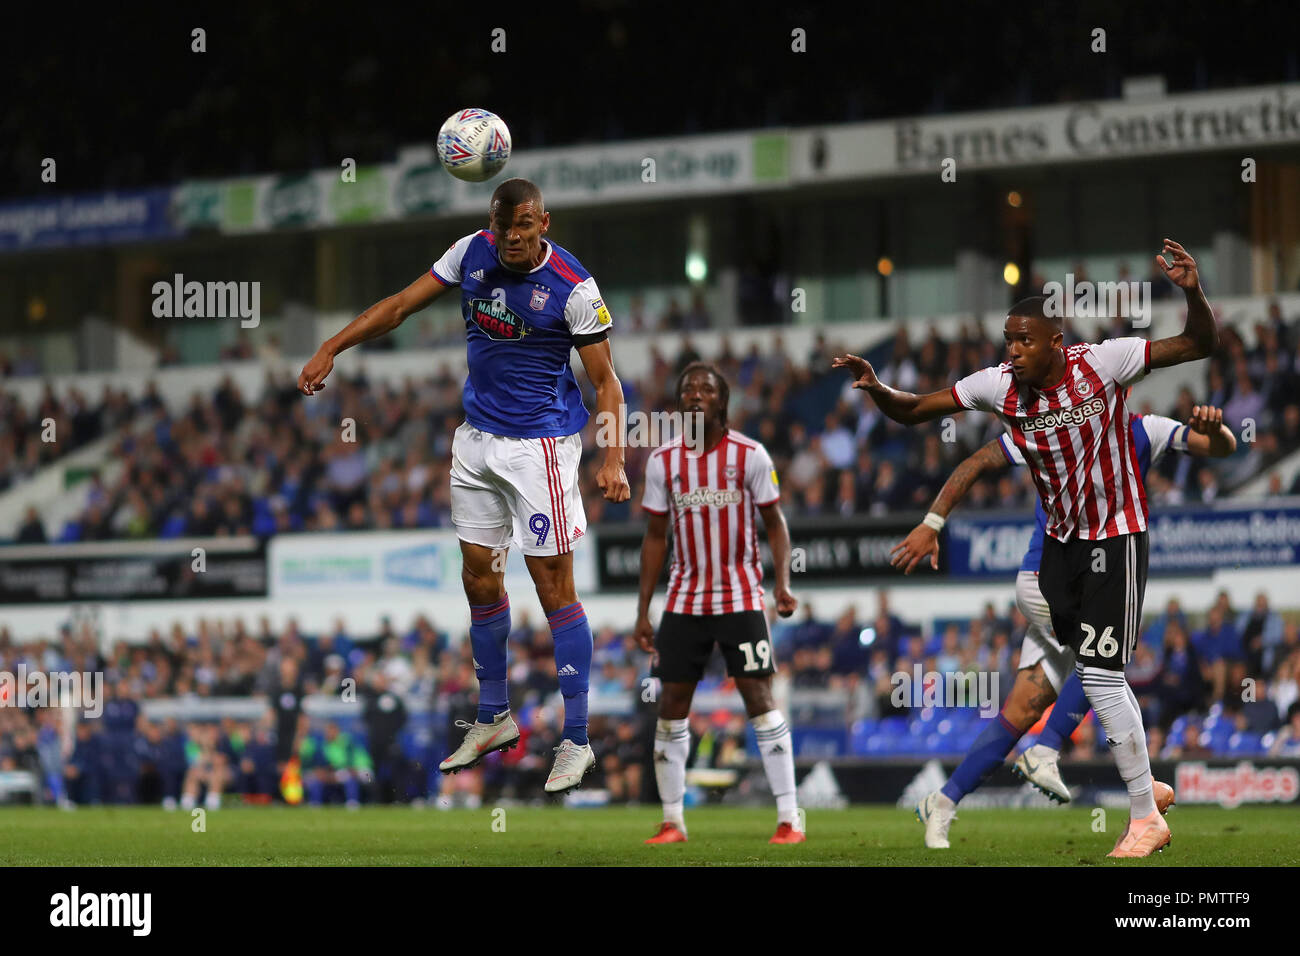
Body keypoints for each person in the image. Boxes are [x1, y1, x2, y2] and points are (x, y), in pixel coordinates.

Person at [835, 239, 1220, 857]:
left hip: (1115, 537)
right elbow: (915, 411)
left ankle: (1142, 812)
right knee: (1089, 676)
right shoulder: (1000, 387)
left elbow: (1199, 345)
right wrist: (878, 388)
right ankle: (1102, 771)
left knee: (1097, 671)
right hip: (1058, 552)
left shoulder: (1106, 361)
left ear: (1055, 340)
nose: (1012, 350)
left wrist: (1191, 291)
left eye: (1024, 340)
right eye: (1007, 340)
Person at [299, 178, 630, 794]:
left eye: (524, 225)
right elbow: (400, 305)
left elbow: (606, 383)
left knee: (553, 587)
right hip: (476, 440)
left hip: (541, 449)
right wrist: (332, 346)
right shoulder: (469, 252)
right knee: (478, 576)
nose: (512, 237)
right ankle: (493, 718)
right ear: (492, 223)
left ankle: (577, 739)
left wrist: (612, 458)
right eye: (504, 226)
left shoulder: (573, 288)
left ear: (544, 224)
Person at [890, 404, 1236, 846]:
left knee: (1022, 708)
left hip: (1081, 582)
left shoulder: (1145, 428)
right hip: (1046, 580)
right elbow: (978, 460)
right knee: (1102, 666)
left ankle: (942, 801)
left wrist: (1220, 430)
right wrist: (933, 522)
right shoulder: (1057, 424)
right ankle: (1054, 750)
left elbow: (1218, 447)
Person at [634, 363, 803, 844]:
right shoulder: (663, 461)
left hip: (740, 597)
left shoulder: (750, 455)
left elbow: (775, 523)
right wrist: (643, 609)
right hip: (684, 601)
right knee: (671, 704)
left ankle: (790, 818)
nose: (695, 395)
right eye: (687, 389)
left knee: (758, 698)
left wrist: (782, 584)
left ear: (721, 401)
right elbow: (654, 538)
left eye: (705, 389)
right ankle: (672, 820)